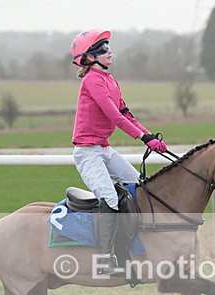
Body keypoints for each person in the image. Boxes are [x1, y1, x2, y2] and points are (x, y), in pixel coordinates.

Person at [70, 29, 167, 276]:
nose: (109, 50)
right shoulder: (91, 80)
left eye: (108, 46)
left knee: (139, 185)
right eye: (102, 48)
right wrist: (143, 138)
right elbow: (113, 115)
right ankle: (104, 261)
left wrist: (150, 136)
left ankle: (131, 245)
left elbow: (125, 114)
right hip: (87, 153)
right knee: (110, 198)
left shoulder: (111, 80)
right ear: (90, 58)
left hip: (104, 149)